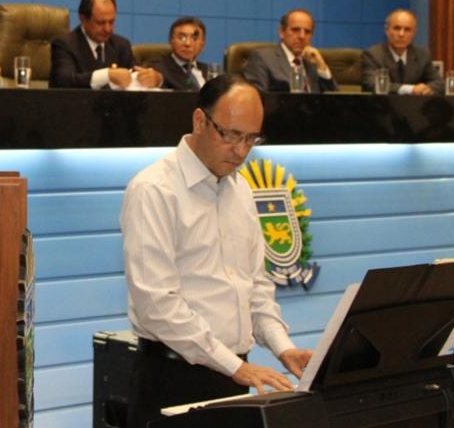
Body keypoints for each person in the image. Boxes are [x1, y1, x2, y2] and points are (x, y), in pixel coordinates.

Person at [120, 75, 312, 426]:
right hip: (172, 378)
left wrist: (283, 347)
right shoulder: (154, 190)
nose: (241, 151)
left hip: (235, 375)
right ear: (199, 121)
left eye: (251, 138)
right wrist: (234, 365)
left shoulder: (241, 190)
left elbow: (255, 287)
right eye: (231, 135)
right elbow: (156, 304)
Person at [49, 0, 162, 89]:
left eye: (111, 22)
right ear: (83, 19)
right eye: (100, 23)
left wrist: (156, 79)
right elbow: (63, 81)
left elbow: (135, 75)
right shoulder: (64, 44)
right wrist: (107, 75)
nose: (108, 29)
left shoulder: (121, 45)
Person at [244, 9, 337, 93]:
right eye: (295, 30)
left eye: (307, 32)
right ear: (281, 32)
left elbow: (335, 100)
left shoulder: (313, 63)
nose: (302, 36)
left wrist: (322, 67)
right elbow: (255, 98)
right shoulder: (263, 58)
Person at [361, 9, 444, 95]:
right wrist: (410, 89)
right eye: (397, 28)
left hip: (414, 103)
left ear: (414, 33)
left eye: (407, 30)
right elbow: (372, 84)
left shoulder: (422, 55)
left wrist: (427, 89)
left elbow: (439, 83)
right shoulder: (373, 54)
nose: (401, 34)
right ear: (387, 30)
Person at [154, 17, 208, 91]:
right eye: (182, 37)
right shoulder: (159, 71)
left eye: (194, 38)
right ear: (171, 40)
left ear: (203, 44)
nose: (187, 43)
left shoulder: (209, 71)